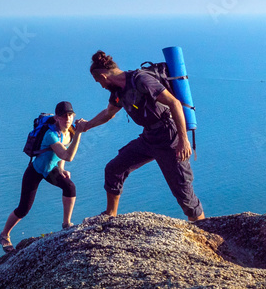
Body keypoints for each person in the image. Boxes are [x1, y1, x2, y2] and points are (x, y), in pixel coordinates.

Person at [77, 50, 205, 222]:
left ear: (103, 75)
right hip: (149, 137)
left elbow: (174, 103)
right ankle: (110, 214)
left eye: (98, 80)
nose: (100, 85)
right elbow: (108, 113)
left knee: (184, 193)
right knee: (114, 168)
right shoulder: (118, 92)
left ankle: (204, 230)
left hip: (169, 137)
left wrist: (183, 140)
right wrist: (87, 126)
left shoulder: (141, 80)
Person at [0, 101, 82, 253]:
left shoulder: (69, 131)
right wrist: (80, 134)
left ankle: (66, 224)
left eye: (70, 115)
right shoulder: (50, 135)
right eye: (64, 116)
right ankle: (4, 235)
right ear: (57, 118)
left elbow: (62, 153)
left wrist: (61, 168)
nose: (68, 119)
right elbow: (67, 155)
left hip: (50, 170)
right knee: (23, 209)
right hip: (36, 171)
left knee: (70, 187)